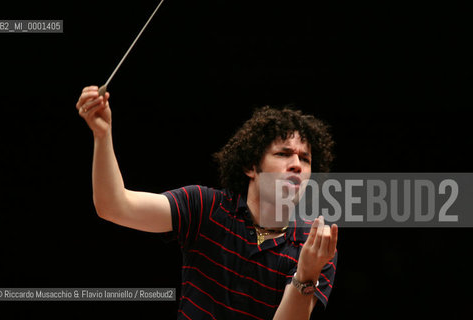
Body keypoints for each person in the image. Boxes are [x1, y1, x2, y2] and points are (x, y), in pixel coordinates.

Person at [76, 86, 339, 319]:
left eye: (305, 159)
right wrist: (102, 135)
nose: (296, 165)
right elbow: (114, 206)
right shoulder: (205, 206)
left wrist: (305, 275)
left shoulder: (313, 244)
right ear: (251, 167)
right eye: (283, 154)